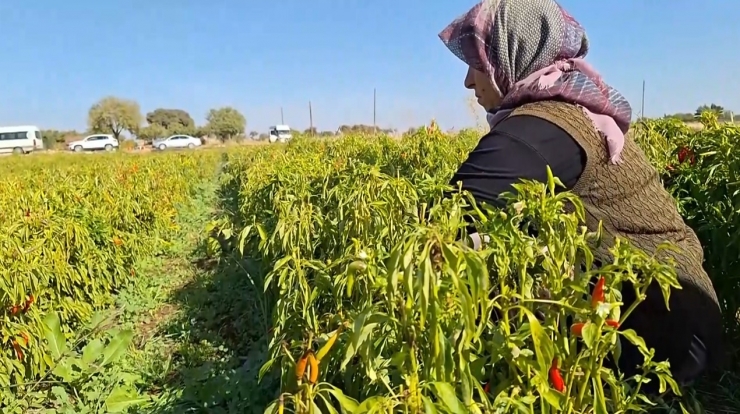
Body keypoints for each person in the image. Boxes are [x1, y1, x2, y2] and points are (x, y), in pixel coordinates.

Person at [438, 0, 724, 389]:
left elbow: (444, 218)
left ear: (509, 53)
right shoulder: (573, 111)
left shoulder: (543, 126)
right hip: (686, 321)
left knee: (470, 253)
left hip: (664, 331)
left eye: (477, 62)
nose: (469, 81)